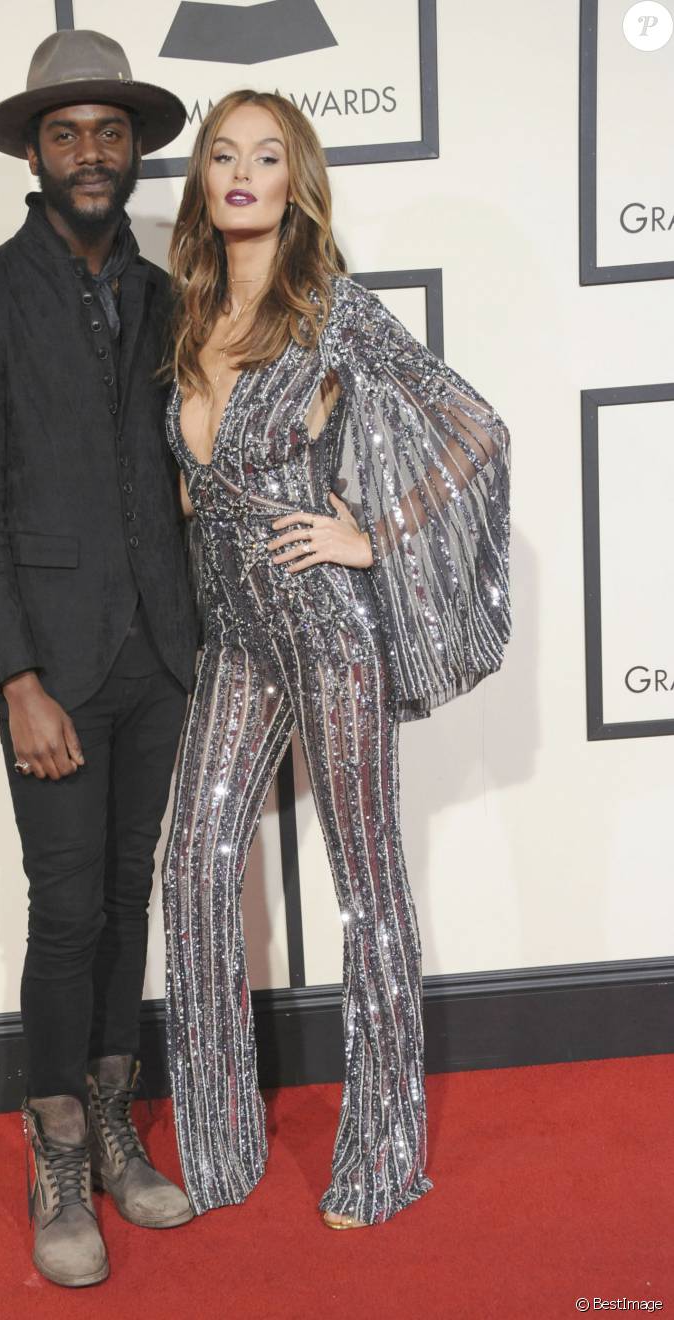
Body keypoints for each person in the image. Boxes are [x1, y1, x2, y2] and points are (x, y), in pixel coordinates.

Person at [161, 90, 511, 1229]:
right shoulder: (191, 311)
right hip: (236, 640)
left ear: (295, 178)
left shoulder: (330, 311)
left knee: (364, 886)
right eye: (224, 155)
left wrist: (371, 537)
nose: (243, 173)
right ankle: (217, 1150)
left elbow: (473, 430)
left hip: (325, 626)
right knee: (194, 864)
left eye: (268, 156)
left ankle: (381, 1153)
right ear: (204, 179)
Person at [0, 30, 199, 1289]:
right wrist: (14, 678)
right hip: (52, 666)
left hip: (163, 652)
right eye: (64, 132)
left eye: (108, 131)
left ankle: (113, 1125)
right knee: (67, 909)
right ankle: (54, 1147)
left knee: (131, 895)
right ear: (33, 155)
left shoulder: (164, 293)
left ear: (134, 149)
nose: (89, 153)